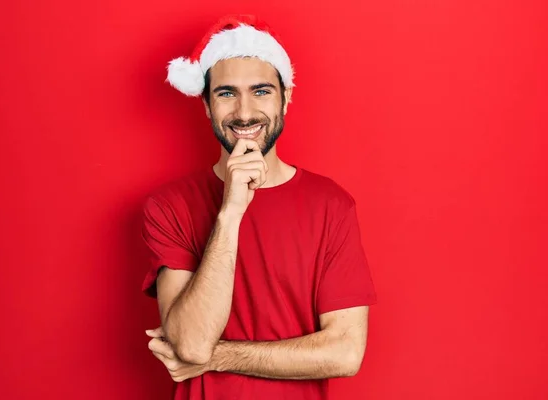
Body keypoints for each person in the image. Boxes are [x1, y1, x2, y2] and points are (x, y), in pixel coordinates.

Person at [140, 14, 377, 400]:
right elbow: (191, 344)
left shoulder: (331, 205)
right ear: (206, 104)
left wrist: (219, 357)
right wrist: (230, 210)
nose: (245, 112)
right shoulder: (170, 206)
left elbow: (346, 352)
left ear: (286, 96)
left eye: (262, 91)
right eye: (226, 93)